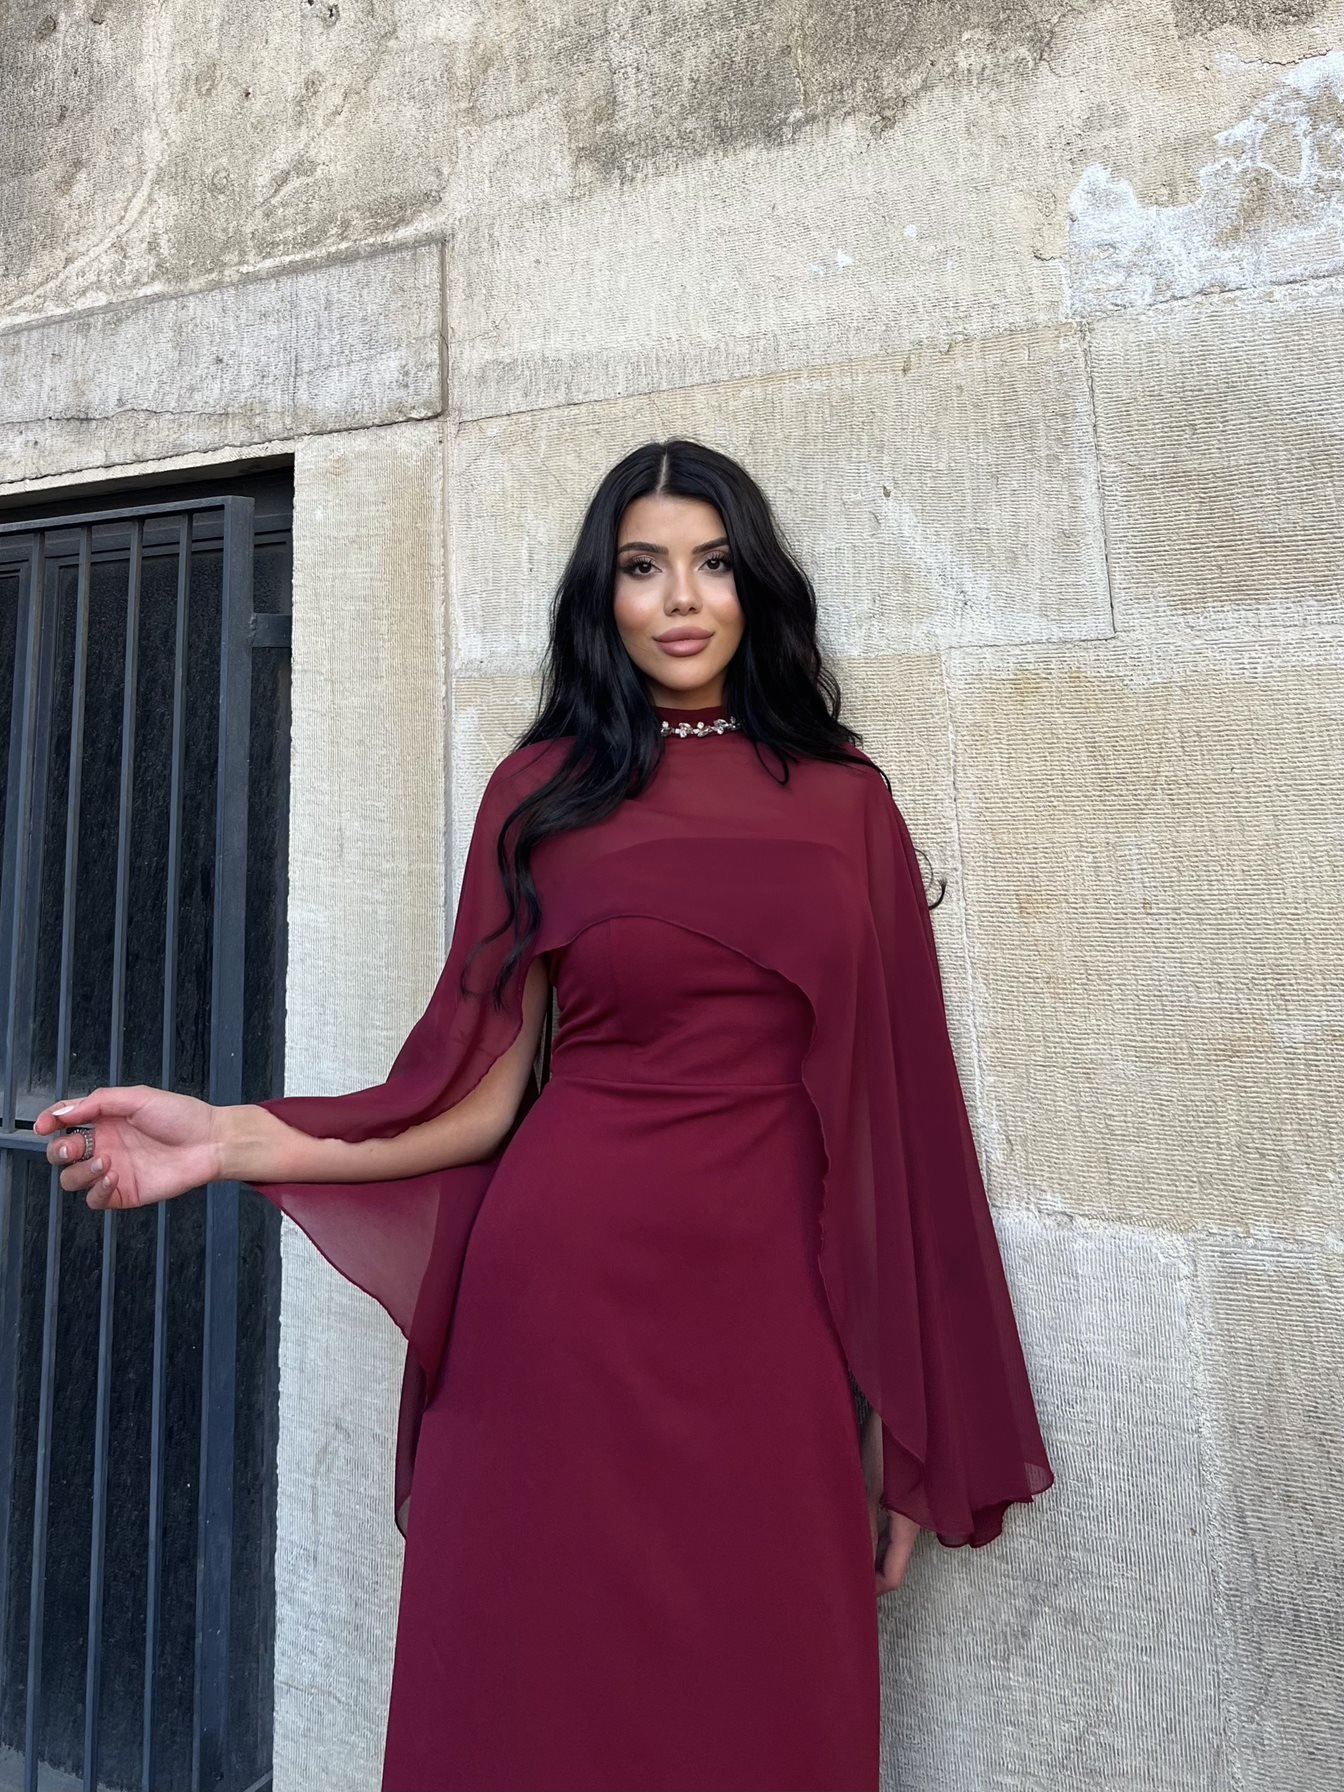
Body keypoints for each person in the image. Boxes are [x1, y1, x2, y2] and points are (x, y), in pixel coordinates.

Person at [35, 438, 1054, 1792]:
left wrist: (898, 1417)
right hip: (554, 1313)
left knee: (769, 1703)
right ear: (603, 595)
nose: (680, 597)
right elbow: (469, 1094)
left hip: (768, 1318)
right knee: (524, 1703)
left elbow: (900, 1121)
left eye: (712, 562)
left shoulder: (847, 803)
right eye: (643, 566)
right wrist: (228, 1138)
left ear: (754, 584)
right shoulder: (545, 792)